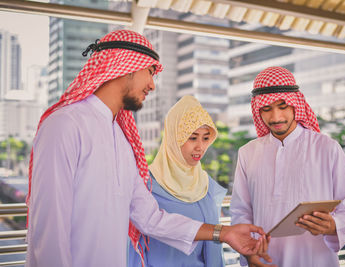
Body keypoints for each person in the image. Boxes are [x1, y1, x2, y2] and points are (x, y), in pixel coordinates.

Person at [25, 30, 269, 267]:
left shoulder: (121, 139)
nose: (152, 85)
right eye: (150, 72)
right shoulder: (65, 125)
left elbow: (150, 218)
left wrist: (224, 233)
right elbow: (49, 232)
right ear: (125, 66)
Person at [230, 66, 345, 267]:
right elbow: (241, 212)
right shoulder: (247, 153)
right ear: (258, 109)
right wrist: (249, 251)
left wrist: (333, 225)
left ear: (296, 104)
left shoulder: (326, 148)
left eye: (283, 106)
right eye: (267, 109)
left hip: (315, 259)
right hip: (264, 260)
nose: (275, 117)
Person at [128, 95, 226, 266]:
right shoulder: (146, 184)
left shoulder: (205, 184)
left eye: (205, 138)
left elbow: (213, 249)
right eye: (192, 137)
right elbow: (135, 248)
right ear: (174, 138)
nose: (200, 147)